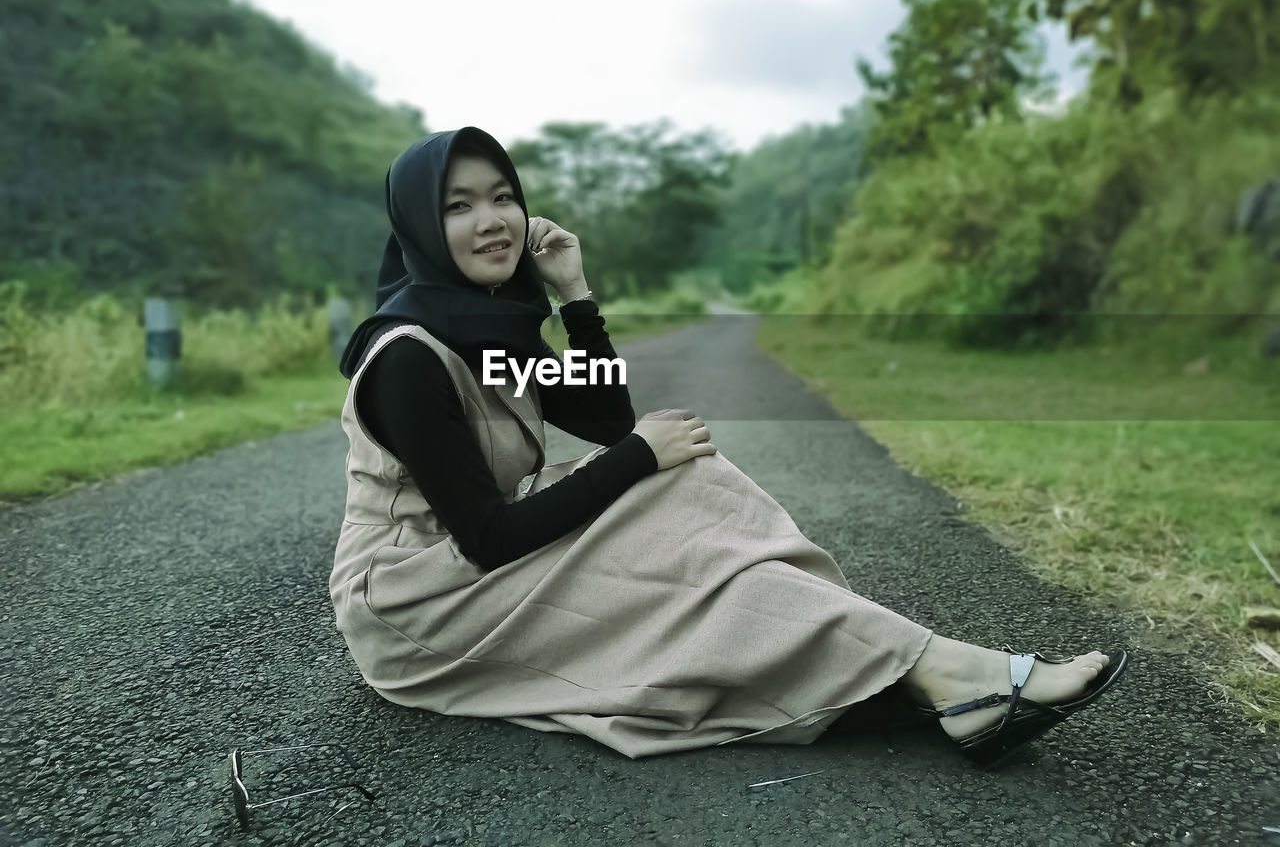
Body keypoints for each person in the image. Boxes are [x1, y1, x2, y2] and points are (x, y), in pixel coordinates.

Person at [329, 127, 1126, 767]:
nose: (492, 219)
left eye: (503, 196)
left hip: (478, 567)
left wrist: (575, 293)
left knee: (686, 483)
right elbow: (489, 535)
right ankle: (944, 674)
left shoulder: (488, 329)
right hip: (419, 600)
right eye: (459, 206)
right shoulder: (407, 357)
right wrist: (639, 457)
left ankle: (923, 671)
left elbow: (609, 419)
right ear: (420, 229)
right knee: (661, 490)